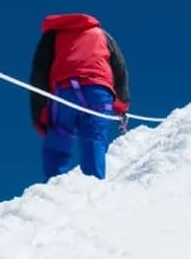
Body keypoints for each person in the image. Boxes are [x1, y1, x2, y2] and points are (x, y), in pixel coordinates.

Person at [28, 13, 130, 180]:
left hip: (65, 90)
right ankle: (93, 183)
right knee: (95, 138)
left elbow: (39, 71)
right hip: (99, 91)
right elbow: (119, 69)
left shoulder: (52, 36)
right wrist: (121, 105)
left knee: (59, 135)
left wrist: (39, 112)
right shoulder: (102, 35)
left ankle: (55, 184)